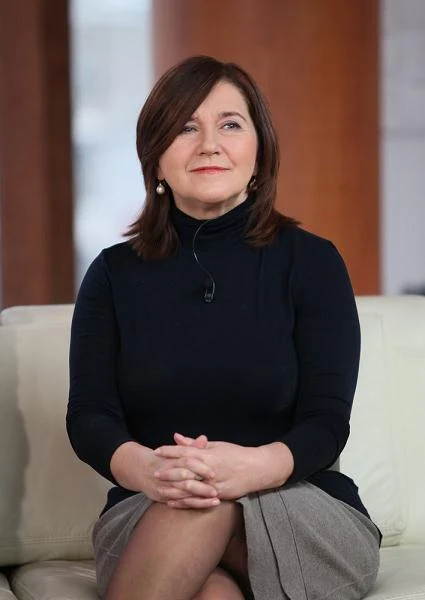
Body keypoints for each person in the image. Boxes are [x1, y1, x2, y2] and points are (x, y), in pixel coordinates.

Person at [66, 55, 381, 600]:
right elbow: (90, 416)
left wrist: (252, 468)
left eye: (230, 125)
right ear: (155, 160)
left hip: (301, 504)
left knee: (204, 504)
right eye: (186, 127)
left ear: (259, 153)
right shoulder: (112, 275)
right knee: (207, 576)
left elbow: (327, 422)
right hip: (152, 503)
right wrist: (149, 470)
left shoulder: (313, 263)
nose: (209, 144)